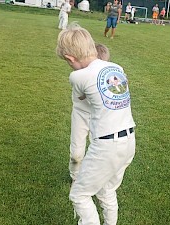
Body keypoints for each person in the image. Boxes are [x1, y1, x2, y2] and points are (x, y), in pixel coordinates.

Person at [56, 24, 136, 225]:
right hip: (129, 141)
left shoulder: (77, 76)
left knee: (79, 195)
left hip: (106, 146)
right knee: (107, 190)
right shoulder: (117, 68)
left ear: (70, 58)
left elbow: (83, 97)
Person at [68, 43, 110, 183]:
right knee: (76, 153)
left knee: (98, 151)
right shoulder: (79, 77)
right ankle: (75, 177)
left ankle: (94, 178)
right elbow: (82, 96)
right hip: (81, 115)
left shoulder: (107, 74)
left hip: (99, 118)